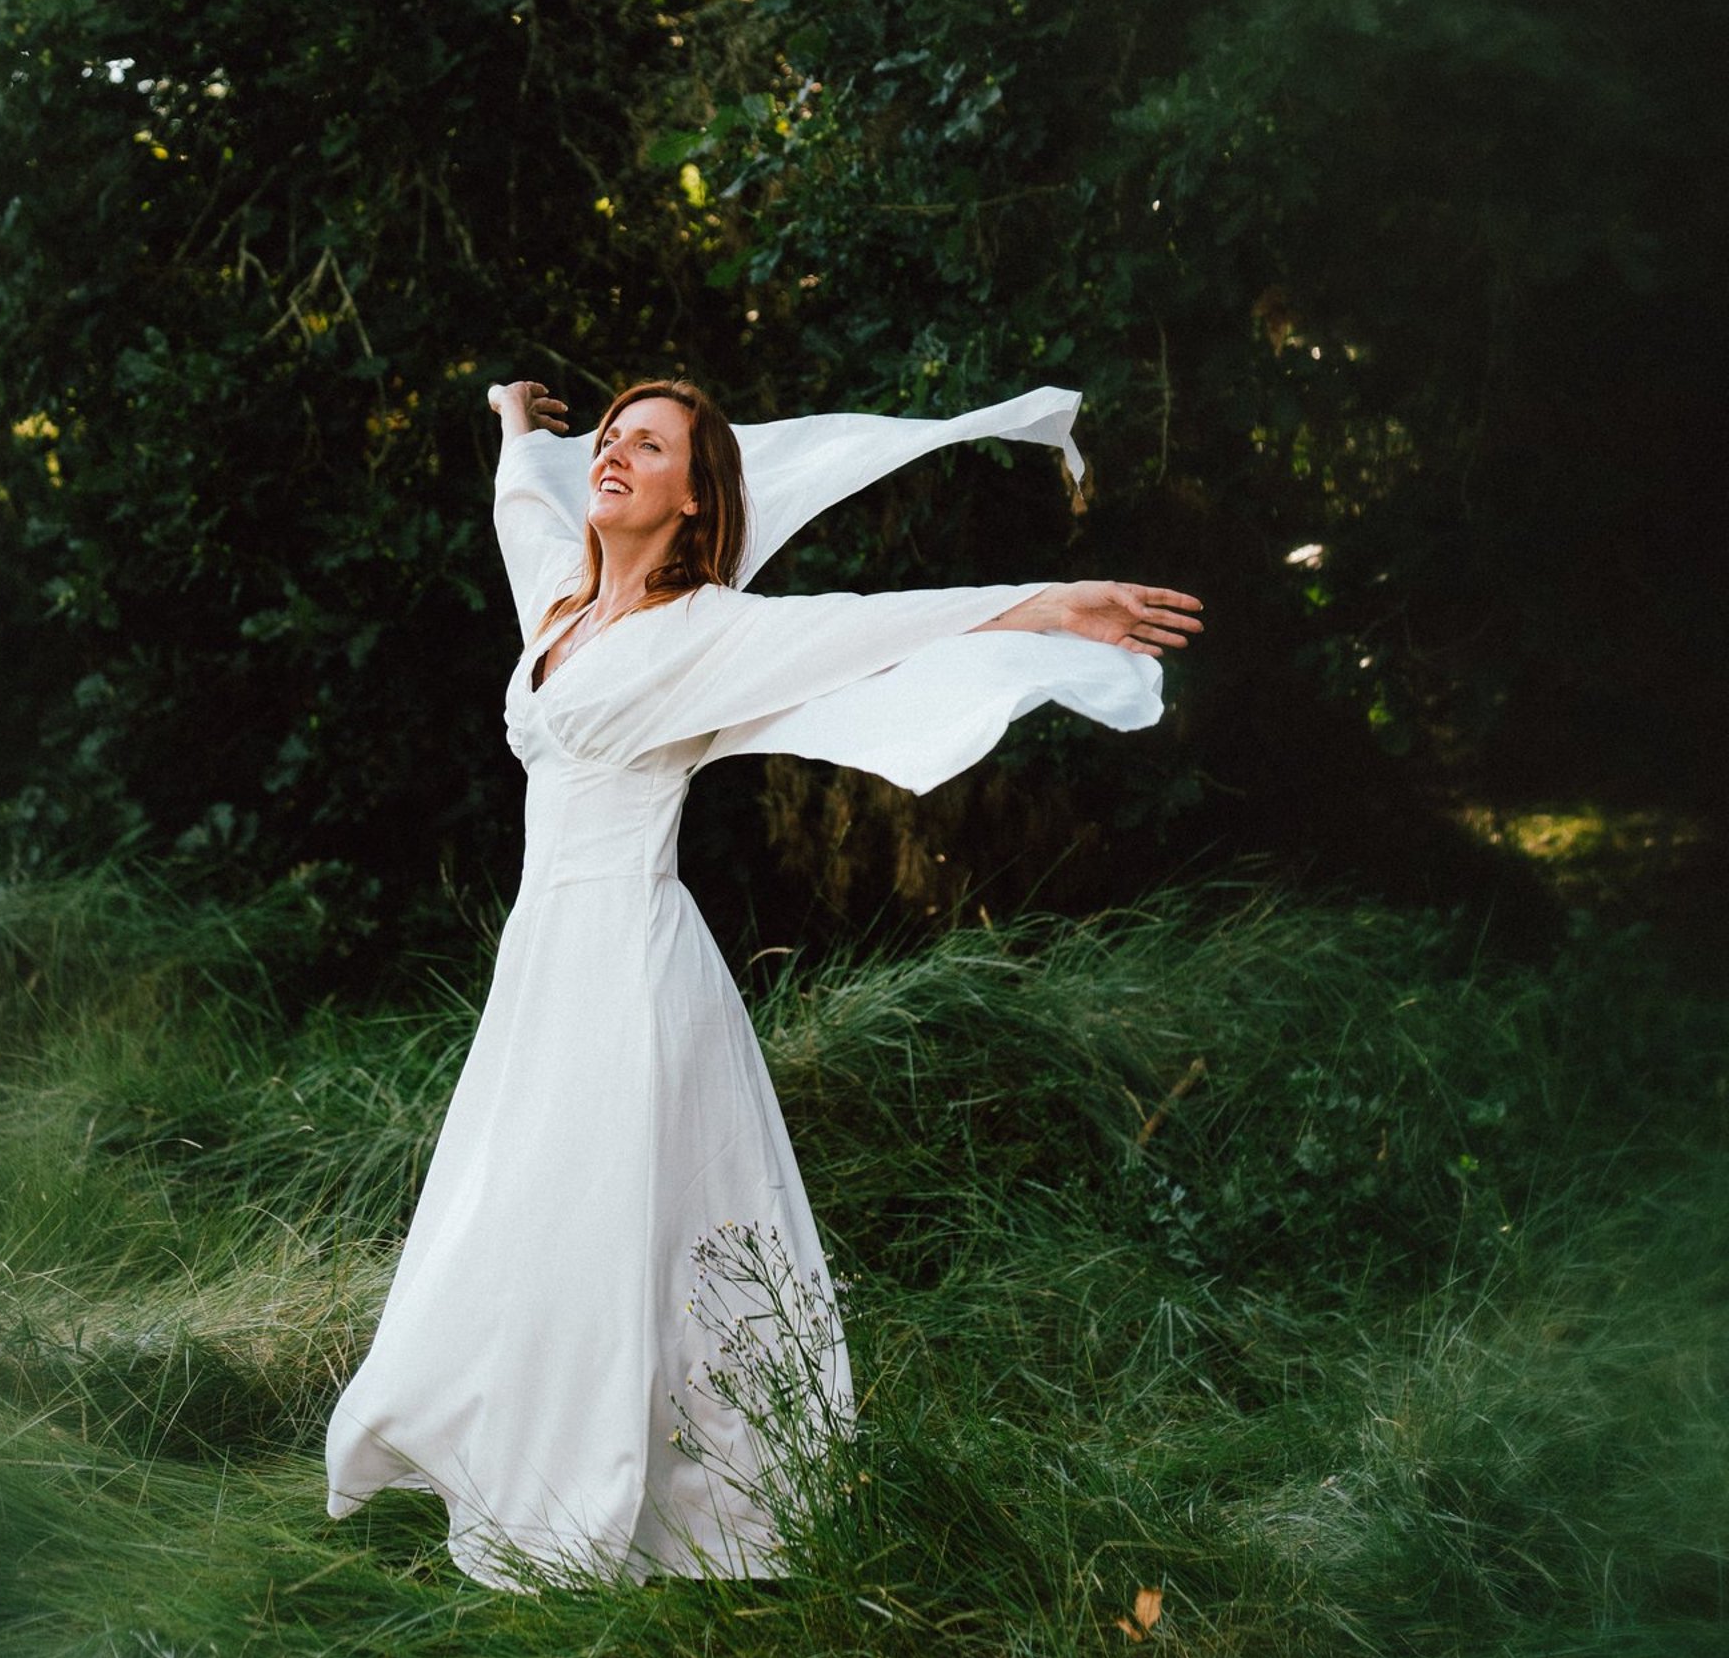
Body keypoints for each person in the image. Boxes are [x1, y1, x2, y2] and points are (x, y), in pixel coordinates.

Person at [324, 375, 1202, 1590]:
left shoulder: (707, 632)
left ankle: (677, 1495)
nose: (616, 455)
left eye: (650, 445)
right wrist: (517, 426)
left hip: (631, 961)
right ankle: (519, 1456)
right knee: (521, 1199)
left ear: (695, 501)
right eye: (613, 437)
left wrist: (1051, 604)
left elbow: (872, 622)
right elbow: (522, 507)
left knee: (628, 1219)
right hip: (544, 964)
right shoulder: (560, 606)